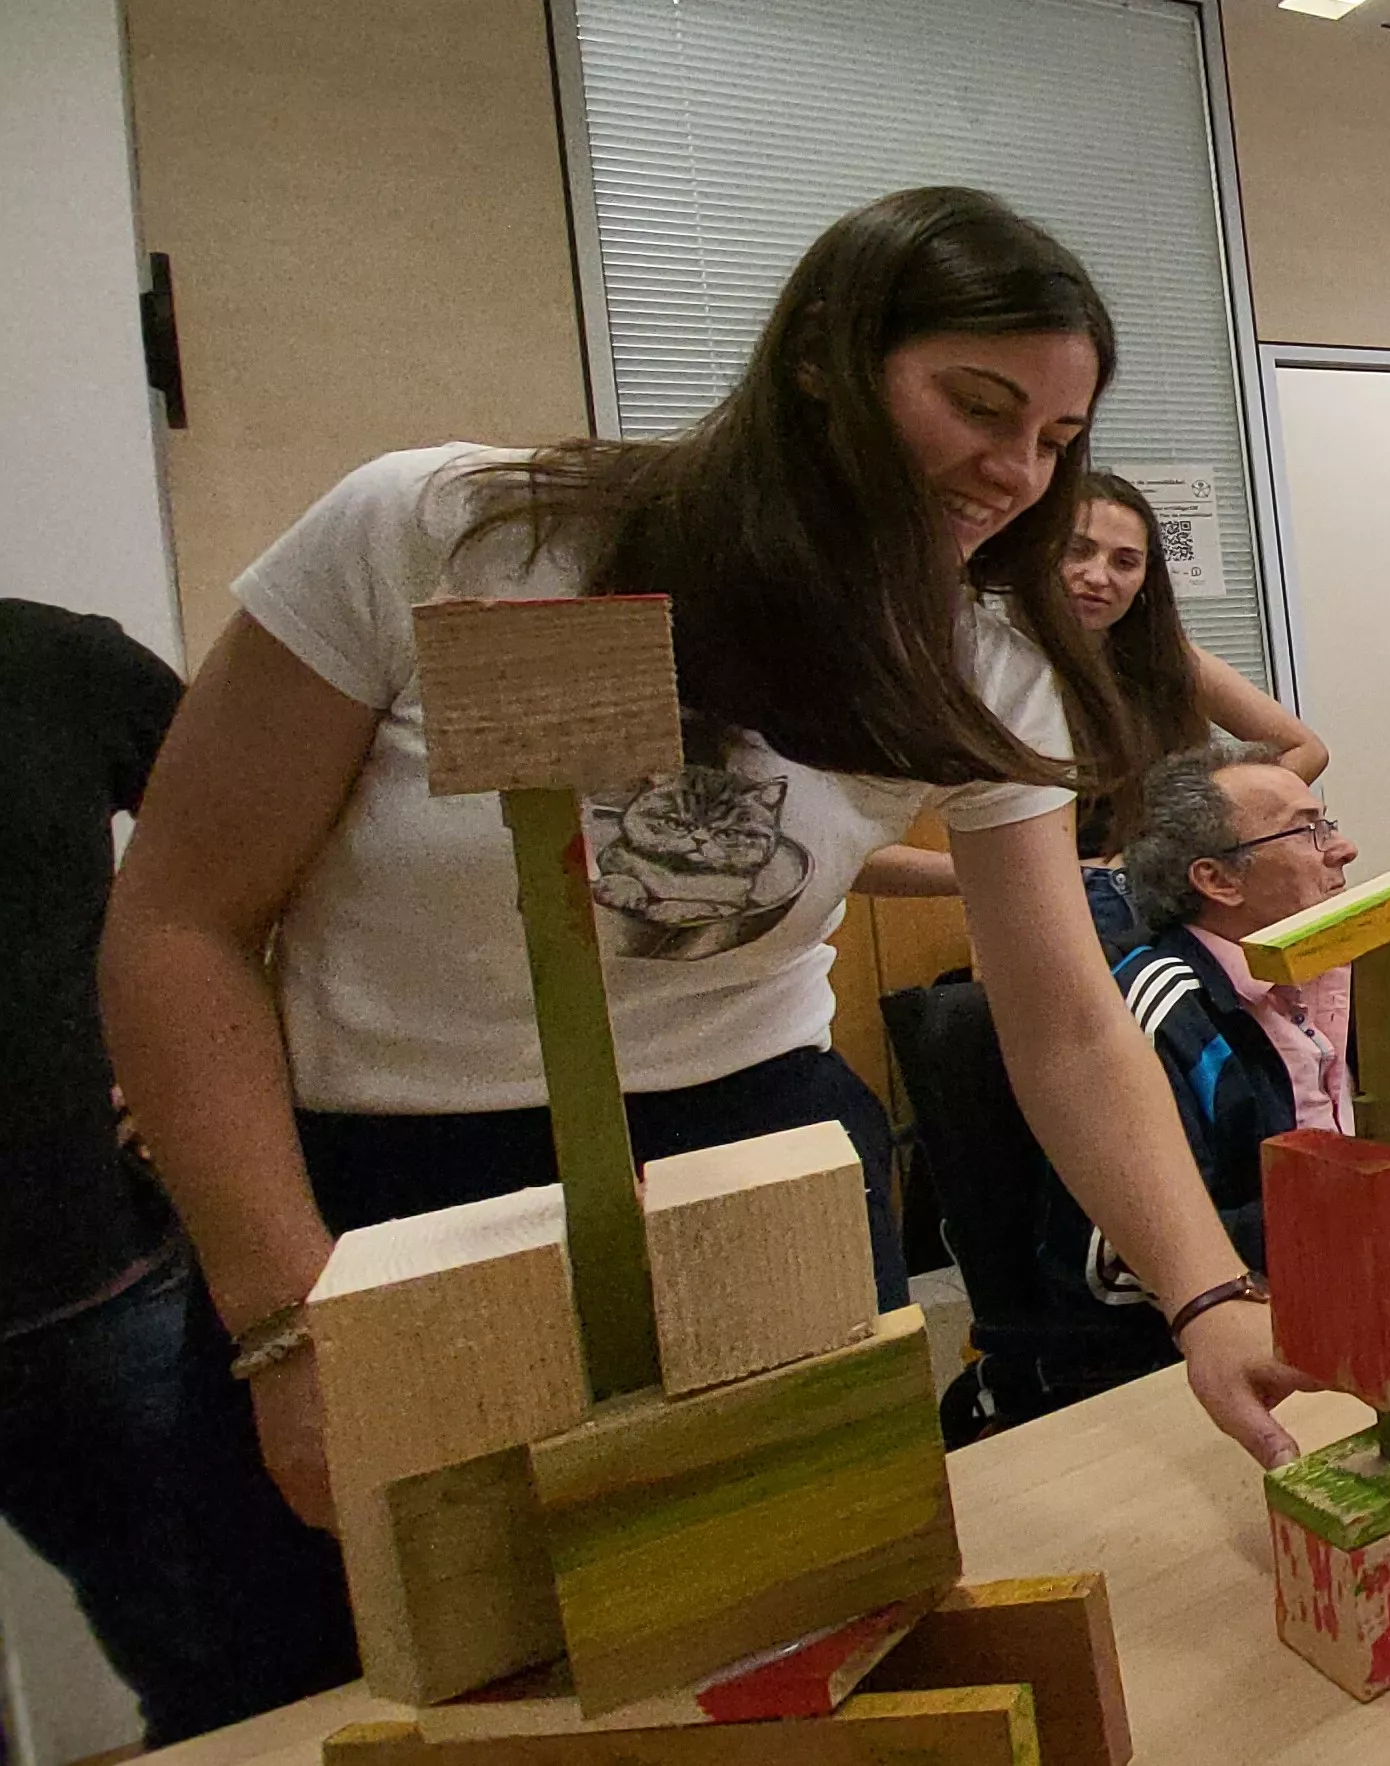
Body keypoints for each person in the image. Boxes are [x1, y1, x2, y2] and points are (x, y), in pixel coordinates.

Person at [98, 188, 1317, 1497]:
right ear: (820, 363)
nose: (1018, 472)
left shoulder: (986, 656)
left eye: (1055, 436)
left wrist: (1207, 1294)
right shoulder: (452, 530)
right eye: (977, 405)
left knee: (799, 1608)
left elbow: (1065, 1016)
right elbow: (181, 923)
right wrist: (285, 1315)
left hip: (752, 1160)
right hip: (394, 1186)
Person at [3, 600, 357, 1744]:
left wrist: (178, 1072)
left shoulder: (49, 662)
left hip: (86, 1289)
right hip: (89, 1304)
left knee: (234, 1678)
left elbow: (267, 869)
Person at [858, 468, 1327, 957]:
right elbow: (864, 861)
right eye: (1078, 550)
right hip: (1044, 929)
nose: (1098, 577)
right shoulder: (983, 670)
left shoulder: (1168, 658)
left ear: (1146, 579)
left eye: (1125, 561)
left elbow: (1304, 748)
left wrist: (1188, 836)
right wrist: (1020, 872)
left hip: (1178, 918)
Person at [1108, 742, 1359, 1289]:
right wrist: (1357, 1207)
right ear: (1219, 881)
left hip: (1355, 1276)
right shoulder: (1155, 1013)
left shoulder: (1344, 971)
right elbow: (1126, 1257)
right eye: (1307, 831)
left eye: (1329, 824)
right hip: (1220, 1329)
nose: (1344, 849)